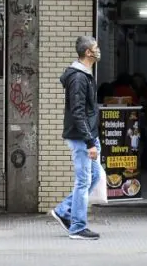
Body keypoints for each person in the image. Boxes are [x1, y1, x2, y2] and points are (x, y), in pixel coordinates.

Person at [50, 36, 102, 240]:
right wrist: (90, 142)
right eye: (95, 48)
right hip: (82, 137)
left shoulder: (85, 74)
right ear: (88, 52)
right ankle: (78, 227)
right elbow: (78, 112)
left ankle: (64, 211)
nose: (98, 50)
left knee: (95, 176)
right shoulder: (79, 78)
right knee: (83, 181)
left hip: (87, 135)